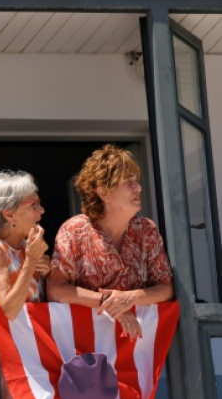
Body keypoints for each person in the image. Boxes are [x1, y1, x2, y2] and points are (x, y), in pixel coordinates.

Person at [46, 144, 173, 339]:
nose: (138, 187)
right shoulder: (74, 230)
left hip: (139, 346)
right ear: (103, 193)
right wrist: (108, 302)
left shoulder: (146, 230)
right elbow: (55, 289)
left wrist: (129, 298)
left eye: (136, 180)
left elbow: (165, 288)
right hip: (87, 348)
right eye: (128, 181)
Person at [0, 170, 50, 320]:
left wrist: (48, 274)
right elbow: (10, 311)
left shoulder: (26, 245)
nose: (42, 210)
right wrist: (30, 261)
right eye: (34, 205)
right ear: (9, 215)